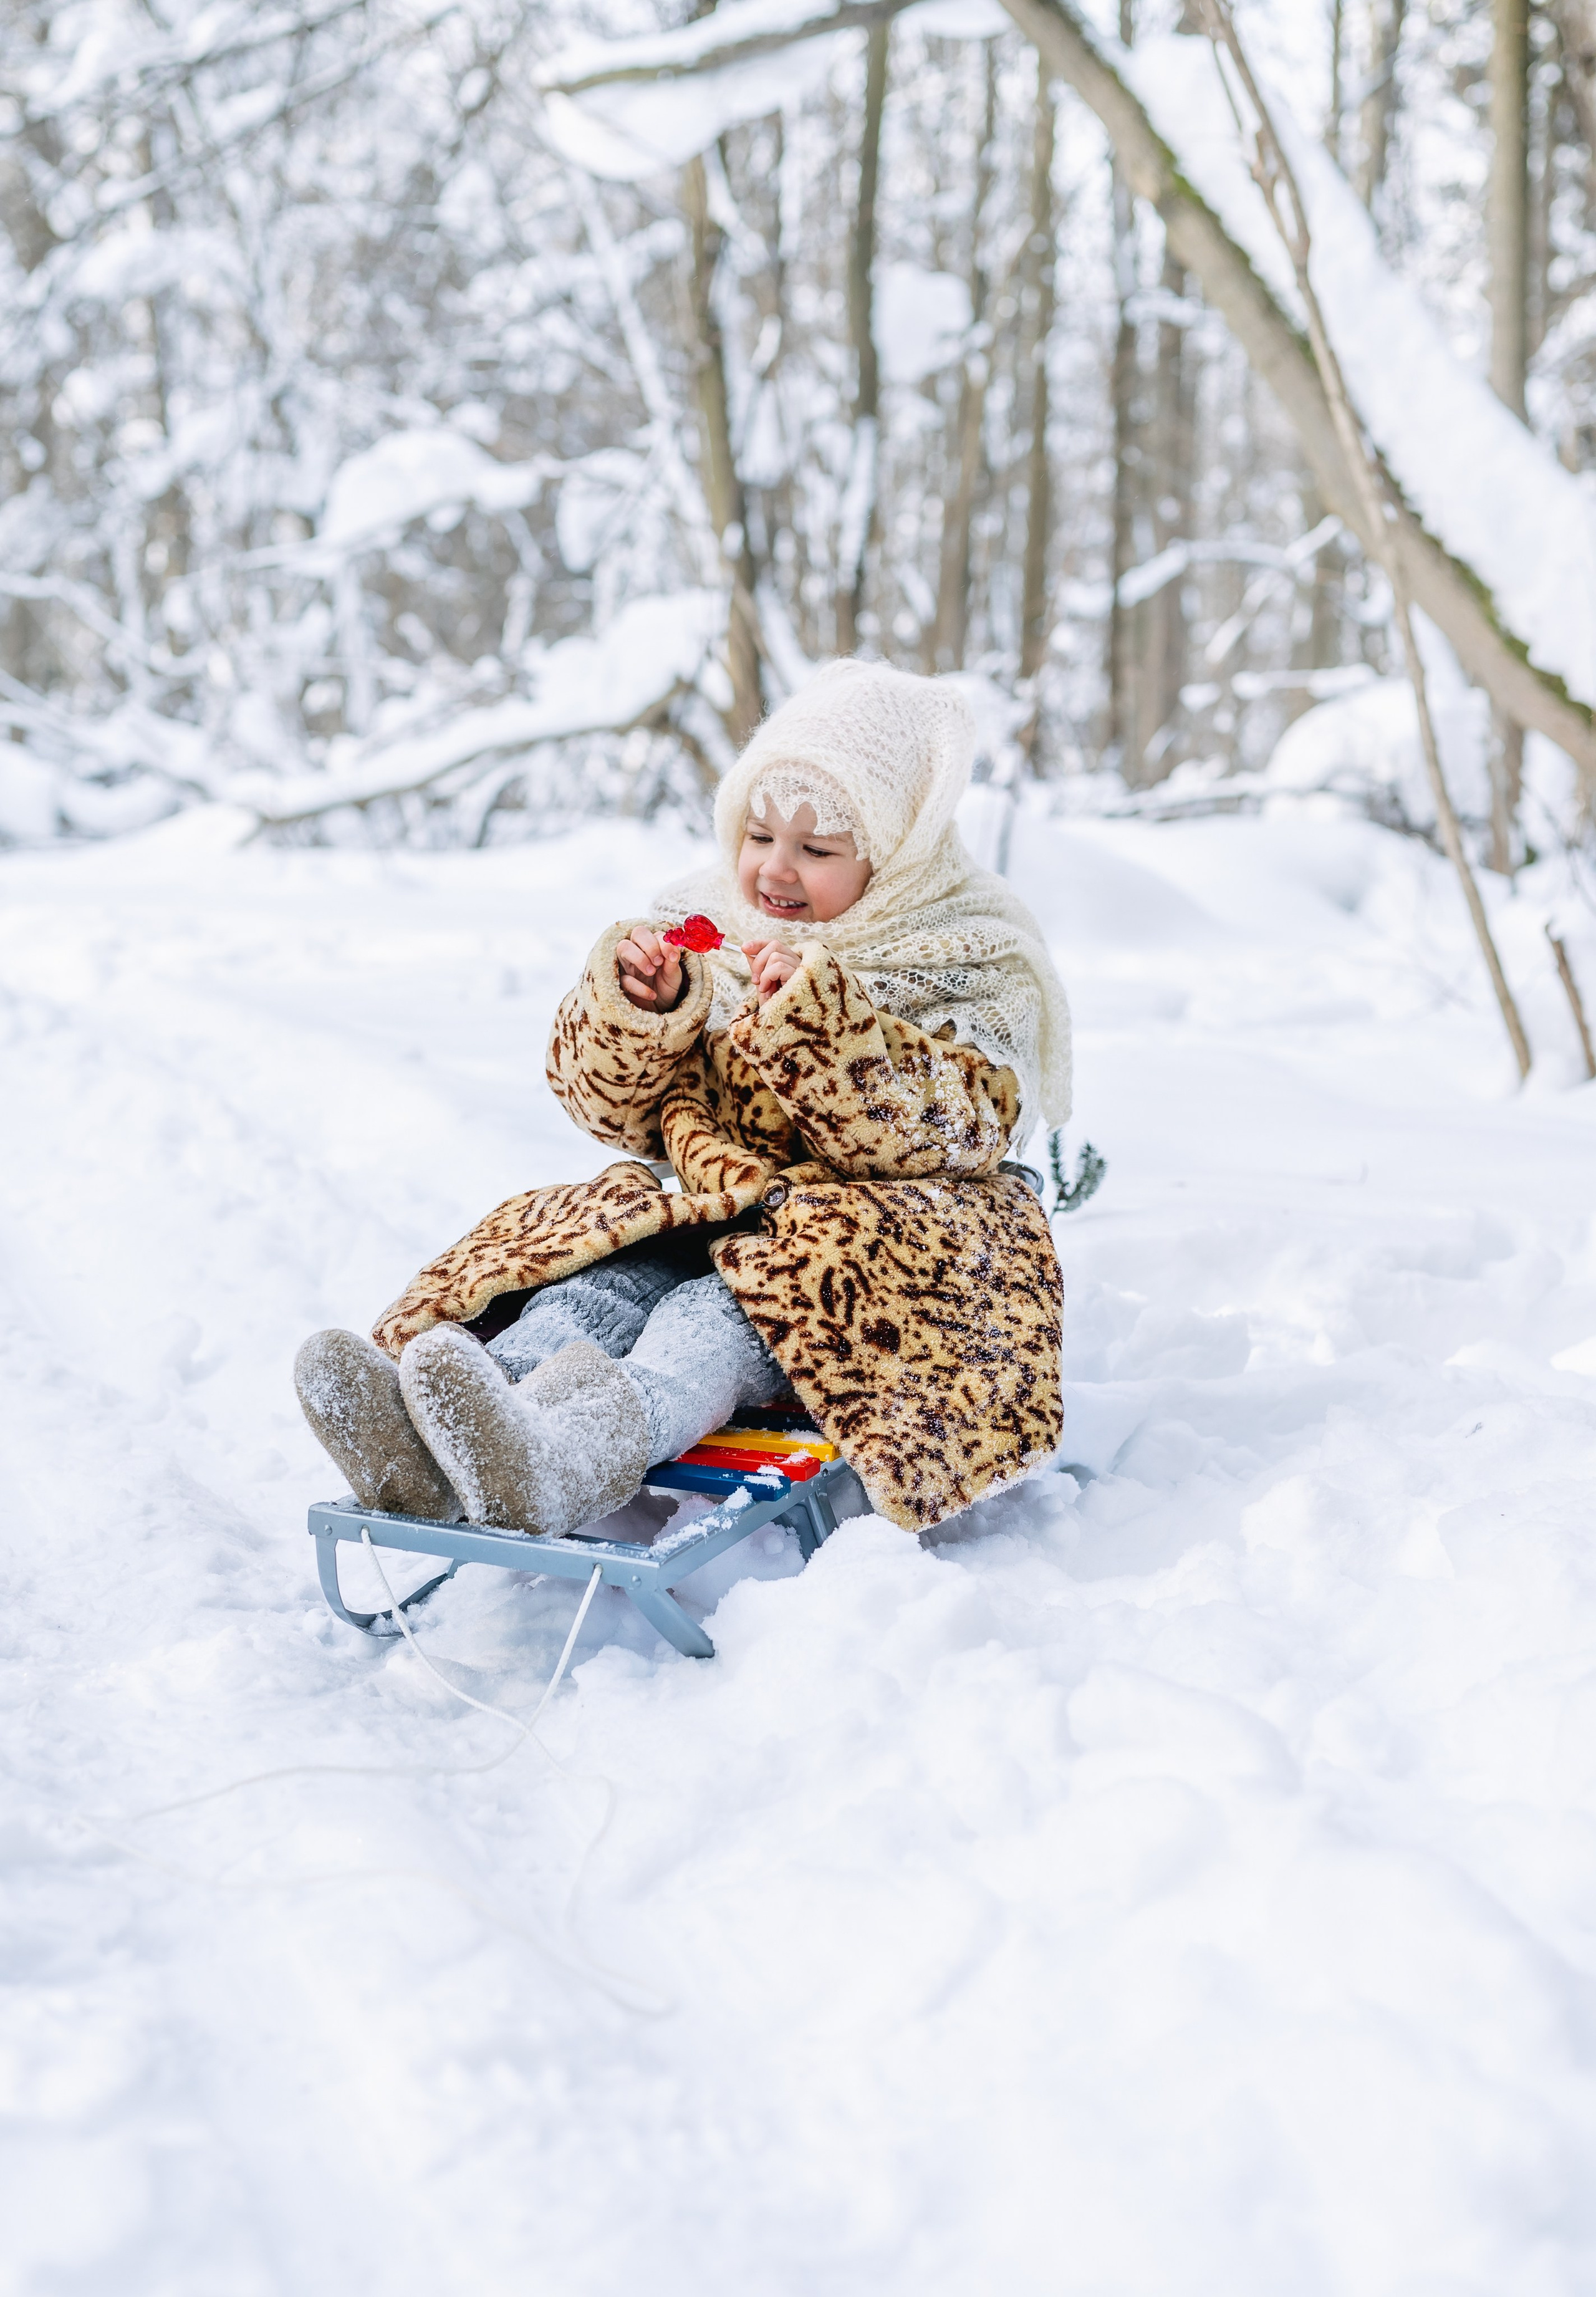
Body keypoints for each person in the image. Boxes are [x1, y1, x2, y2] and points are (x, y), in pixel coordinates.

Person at [295, 658, 1073, 1535]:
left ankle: (571, 1454)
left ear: (892, 855)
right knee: (597, 1288)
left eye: (817, 850)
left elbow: (960, 1128)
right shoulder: (711, 928)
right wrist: (650, 1014)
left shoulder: (960, 950)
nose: (776, 870)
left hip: (860, 1255)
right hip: (709, 1214)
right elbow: (609, 1112)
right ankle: (447, 1428)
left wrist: (821, 1025)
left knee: (708, 1321)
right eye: (758, 835)